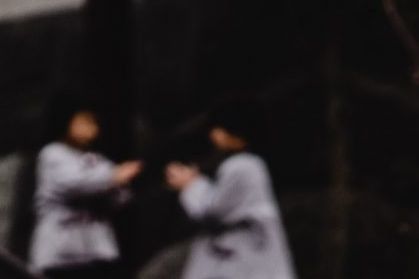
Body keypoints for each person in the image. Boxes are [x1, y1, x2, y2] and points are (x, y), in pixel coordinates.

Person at [165, 113, 295, 279]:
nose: (215, 136)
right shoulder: (250, 164)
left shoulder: (240, 166)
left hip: (244, 256)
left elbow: (212, 210)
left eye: (220, 130)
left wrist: (190, 185)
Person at [30, 101, 142, 279]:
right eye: (84, 122)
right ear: (66, 122)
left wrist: (121, 183)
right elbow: (74, 184)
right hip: (62, 251)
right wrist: (114, 176)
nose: (91, 128)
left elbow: (119, 200)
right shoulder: (52, 154)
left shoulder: (98, 159)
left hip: (96, 250)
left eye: (94, 123)